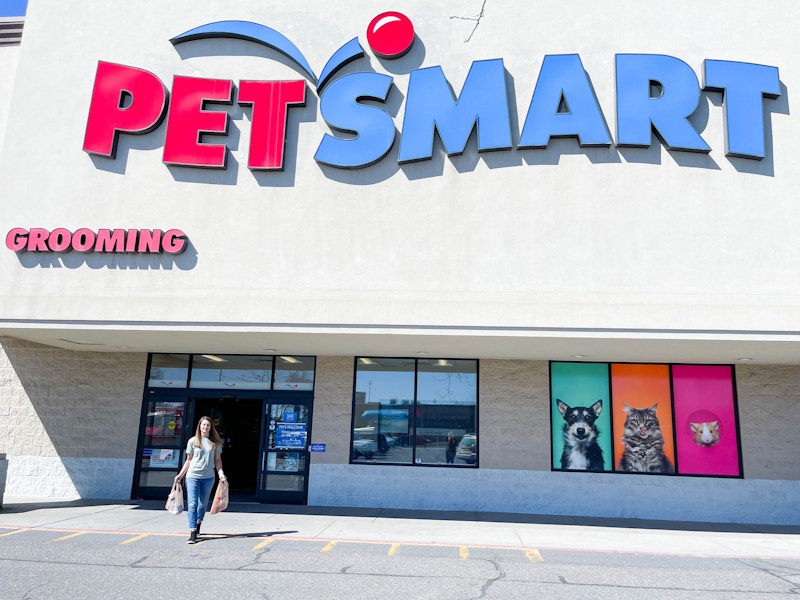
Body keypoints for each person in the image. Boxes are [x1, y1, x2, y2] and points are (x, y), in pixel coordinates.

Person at [174, 416, 226, 544]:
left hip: (208, 478)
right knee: (192, 504)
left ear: (210, 427)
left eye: (208, 425)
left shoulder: (215, 443)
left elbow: (218, 461)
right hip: (193, 476)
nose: (205, 427)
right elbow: (189, 460)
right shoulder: (193, 441)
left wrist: (221, 473)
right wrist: (180, 475)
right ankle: (192, 533)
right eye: (203, 425)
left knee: (202, 504)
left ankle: (198, 524)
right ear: (199, 426)